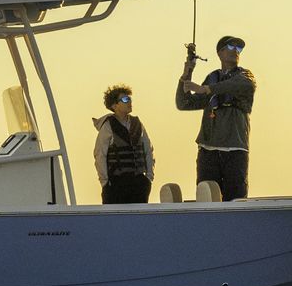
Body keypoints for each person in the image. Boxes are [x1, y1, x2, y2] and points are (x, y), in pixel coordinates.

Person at [175, 35, 256, 200]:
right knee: (206, 197)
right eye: (231, 47)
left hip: (234, 149)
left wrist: (207, 89)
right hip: (208, 149)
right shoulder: (212, 77)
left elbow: (242, 85)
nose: (236, 51)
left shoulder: (245, 76)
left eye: (238, 49)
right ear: (220, 53)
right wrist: (186, 74)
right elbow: (185, 103)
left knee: (236, 199)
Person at [93, 84, 155, 204]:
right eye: (125, 100)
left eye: (130, 99)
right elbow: (100, 155)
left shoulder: (137, 124)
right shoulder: (107, 126)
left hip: (139, 183)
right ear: (115, 106)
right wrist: (105, 183)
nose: (129, 102)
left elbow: (148, 150)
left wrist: (148, 178)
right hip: (116, 184)